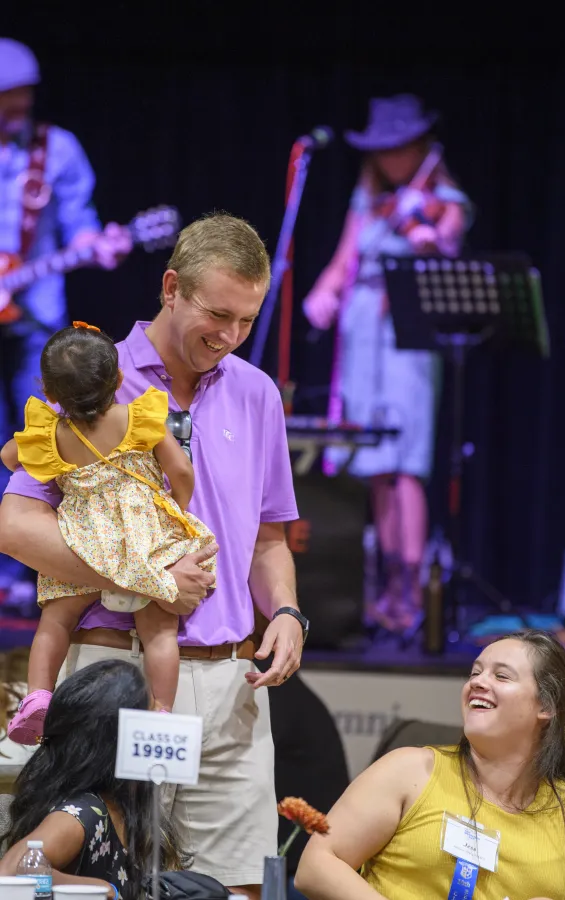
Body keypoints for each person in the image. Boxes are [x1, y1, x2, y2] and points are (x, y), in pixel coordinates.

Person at [0, 212, 308, 900]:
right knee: (98, 886)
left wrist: (286, 611)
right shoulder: (89, 378)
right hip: (116, 677)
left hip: (231, 690)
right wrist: (147, 576)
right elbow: (15, 526)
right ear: (172, 287)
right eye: (217, 315)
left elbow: (268, 538)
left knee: (238, 890)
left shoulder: (257, 393)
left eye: (246, 322)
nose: (229, 337)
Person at [303, 94, 472, 635]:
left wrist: (429, 238)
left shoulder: (444, 197)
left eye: (402, 148)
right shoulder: (367, 201)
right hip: (360, 334)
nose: (394, 159)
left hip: (405, 331)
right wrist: (323, 294)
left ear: (420, 146)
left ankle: (413, 592)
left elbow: (446, 243)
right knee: (370, 461)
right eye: (385, 150)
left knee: (405, 463)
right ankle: (377, 591)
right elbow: (342, 262)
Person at [1, 322, 217, 743]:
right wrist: (178, 507)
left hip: (84, 545)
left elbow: (10, 456)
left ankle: (39, 696)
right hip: (143, 542)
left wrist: (48, 447)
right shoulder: (139, 418)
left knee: (56, 620)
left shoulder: (51, 434)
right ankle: (161, 713)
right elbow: (180, 471)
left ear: (47, 389)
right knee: (158, 631)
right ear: (118, 379)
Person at [294, 630, 565, 900]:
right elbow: (316, 867)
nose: (477, 682)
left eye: (502, 676)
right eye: (475, 672)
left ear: (546, 706)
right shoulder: (409, 772)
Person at [0, 37, 132, 612]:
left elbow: (80, 224)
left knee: (43, 443)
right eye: (8, 96)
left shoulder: (60, 150)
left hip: (35, 316)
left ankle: (34, 569)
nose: (19, 105)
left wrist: (96, 246)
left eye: (24, 94)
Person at [0, 658, 182, 900]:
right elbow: (12, 872)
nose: (161, 714)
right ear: (117, 735)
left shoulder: (127, 805)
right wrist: (99, 888)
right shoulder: (84, 811)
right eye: (151, 709)